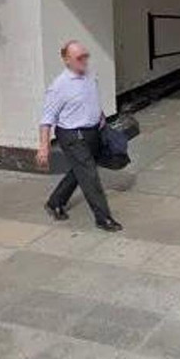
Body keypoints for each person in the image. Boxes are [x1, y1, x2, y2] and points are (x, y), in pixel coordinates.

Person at [37, 40, 122, 232]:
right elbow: (47, 119)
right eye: (79, 57)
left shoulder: (89, 75)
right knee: (90, 175)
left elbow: (91, 100)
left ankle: (55, 202)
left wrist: (101, 117)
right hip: (72, 135)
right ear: (66, 60)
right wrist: (44, 146)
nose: (84, 60)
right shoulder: (59, 86)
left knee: (80, 170)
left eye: (86, 56)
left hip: (92, 131)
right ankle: (103, 218)